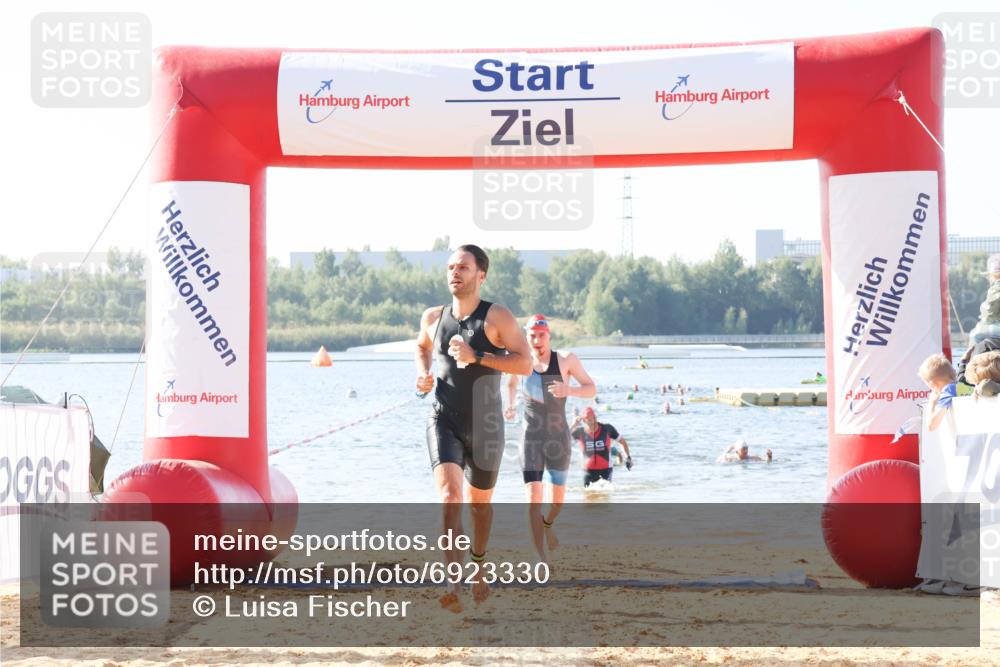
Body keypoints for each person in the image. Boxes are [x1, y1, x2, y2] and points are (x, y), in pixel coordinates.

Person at [415, 244, 532, 612]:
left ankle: (478, 567)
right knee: (450, 499)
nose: (455, 272)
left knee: (479, 508)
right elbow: (422, 347)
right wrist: (423, 374)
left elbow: (525, 364)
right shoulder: (433, 317)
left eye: (463, 267)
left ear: (481, 275)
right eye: (451, 267)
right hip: (444, 418)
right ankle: (455, 582)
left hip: (486, 425)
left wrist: (477, 356)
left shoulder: (497, 317)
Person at [505, 314, 597, 563]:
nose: (536, 340)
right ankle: (538, 556)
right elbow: (511, 382)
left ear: (549, 336)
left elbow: (591, 388)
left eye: (541, 335)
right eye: (532, 335)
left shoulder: (566, 360)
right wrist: (511, 405)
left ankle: (548, 525)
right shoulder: (520, 361)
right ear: (527, 337)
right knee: (533, 496)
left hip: (558, 437)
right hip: (530, 436)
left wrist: (569, 390)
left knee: (556, 502)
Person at [570, 407, 632, 488]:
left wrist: (628, 457)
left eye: (592, 418)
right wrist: (573, 425)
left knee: (604, 496)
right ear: (584, 420)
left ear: (595, 418)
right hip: (588, 471)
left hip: (606, 470)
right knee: (588, 497)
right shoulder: (580, 432)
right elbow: (562, 441)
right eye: (587, 419)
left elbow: (622, 441)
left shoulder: (607, 429)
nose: (590, 422)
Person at [917, 353, 958, 432]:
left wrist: (932, 403)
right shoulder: (961, 386)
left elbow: (931, 427)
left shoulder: (948, 392)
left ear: (932, 384)